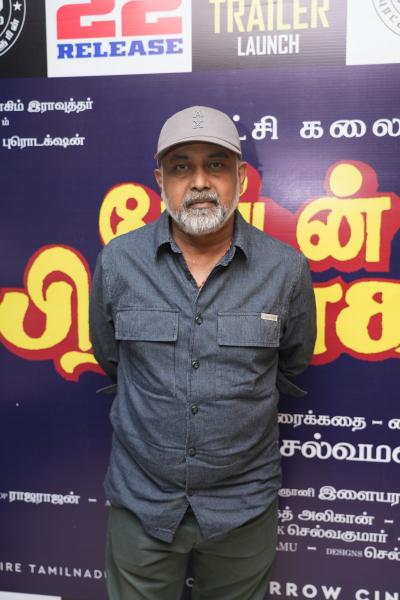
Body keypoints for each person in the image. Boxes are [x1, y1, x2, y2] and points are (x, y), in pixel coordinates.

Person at [89, 105, 316, 600]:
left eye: (215, 164)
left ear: (241, 177)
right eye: (180, 167)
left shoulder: (286, 270)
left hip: (243, 506)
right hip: (143, 502)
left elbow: (292, 362)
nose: (198, 182)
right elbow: (111, 358)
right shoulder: (118, 263)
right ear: (160, 181)